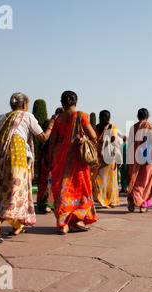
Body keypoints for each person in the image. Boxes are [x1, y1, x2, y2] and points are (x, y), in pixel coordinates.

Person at [0, 92, 56, 243]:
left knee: (10, 192)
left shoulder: (2, 117)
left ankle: (17, 226)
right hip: (18, 159)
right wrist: (51, 124)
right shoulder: (27, 116)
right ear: (24, 104)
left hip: (3, 160)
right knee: (16, 193)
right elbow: (43, 137)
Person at [48, 91, 98, 234]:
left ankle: (63, 223)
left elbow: (53, 141)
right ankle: (77, 219)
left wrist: (52, 159)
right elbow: (93, 135)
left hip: (60, 157)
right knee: (80, 189)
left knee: (62, 188)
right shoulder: (81, 116)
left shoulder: (58, 119)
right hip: (77, 158)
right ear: (76, 102)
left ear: (62, 103)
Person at [126, 108, 152, 213]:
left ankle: (132, 199)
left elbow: (130, 144)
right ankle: (142, 205)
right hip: (147, 158)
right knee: (146, 181)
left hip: (135, 157)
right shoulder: (150, 126)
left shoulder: (133, 127)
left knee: (136, 179)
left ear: (138, 116)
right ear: (147, 116)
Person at [36, 107, 64, 214]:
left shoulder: (64, 125)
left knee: (54, 181)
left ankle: (52, 203)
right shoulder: (50, 125)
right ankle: (45, 204)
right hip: (49, 156)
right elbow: (44, 142)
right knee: (47, 181)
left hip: (58, 157)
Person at [92, 110, 121, 209]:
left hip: (97, 157)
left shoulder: (95, 128)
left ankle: (100, 198)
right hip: (109, 157)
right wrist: (119, 157)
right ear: (109, 118)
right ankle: (109, 201)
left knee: (99, 179)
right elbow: (115, 143)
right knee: (109, 181)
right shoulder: (112, 127)